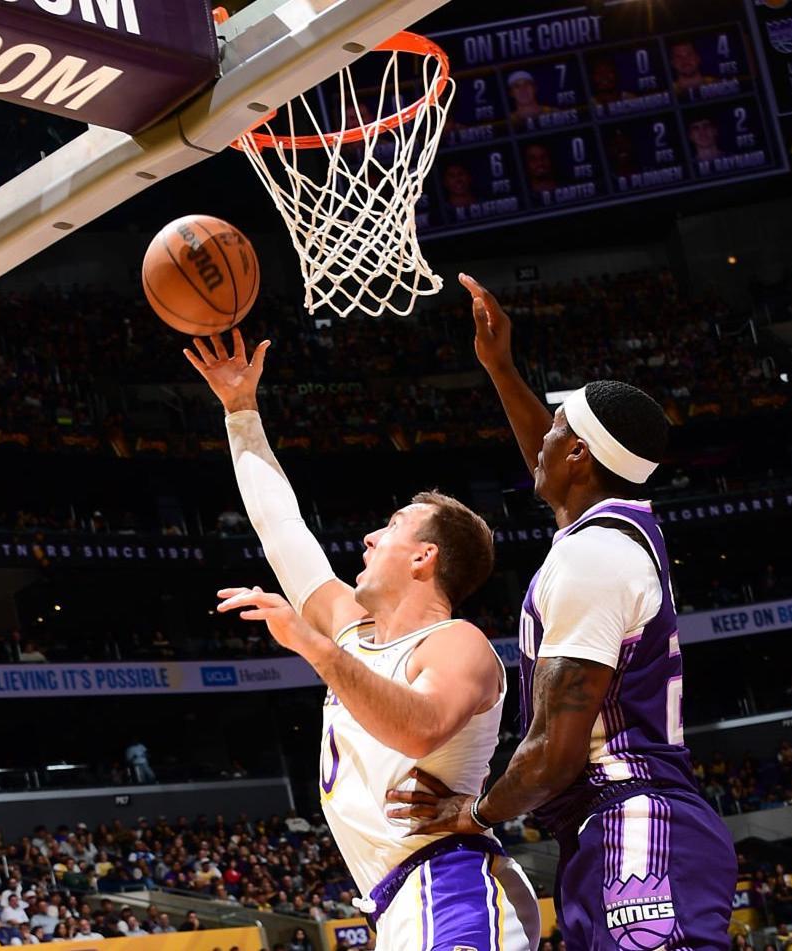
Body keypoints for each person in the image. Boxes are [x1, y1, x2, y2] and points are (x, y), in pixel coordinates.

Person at [386, 275, 735, 949]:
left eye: (555, 430)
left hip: (633, 821)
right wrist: (500, 368)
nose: (539, 442)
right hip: (606, 827)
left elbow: (554, 750)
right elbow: (555, 469)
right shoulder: (609, 530)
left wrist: (475, 812)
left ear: (578, 453)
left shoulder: (591, 558)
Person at [184, 333, 540, 951]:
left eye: (393, 526)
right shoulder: (351, 627)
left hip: (453, 888)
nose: (370, 538)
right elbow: (280, 526)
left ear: (425, 557)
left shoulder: (456, 643)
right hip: (399, 900)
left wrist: (315, 647)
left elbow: (421, 728)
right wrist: (240, 412)